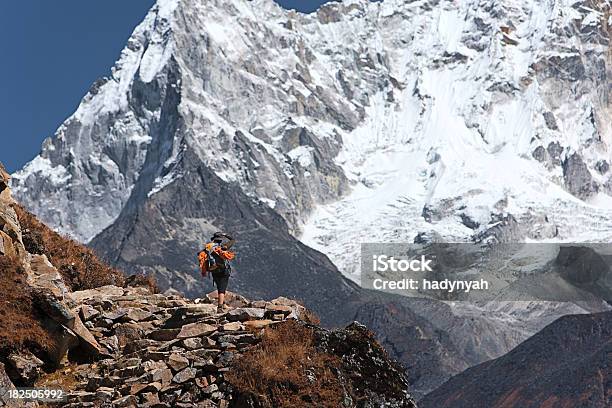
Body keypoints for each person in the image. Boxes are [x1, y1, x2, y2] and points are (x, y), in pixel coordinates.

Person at [198, 232, 236, 313]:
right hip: (223, 270)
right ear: (220, 239)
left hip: (213, 269)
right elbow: (233, 240)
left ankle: (223, 303)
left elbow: (200, 256)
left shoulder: (208, 247)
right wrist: (226, 235)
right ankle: (220, 307)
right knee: (222, 289)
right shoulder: (222, 247)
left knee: (219, 286)